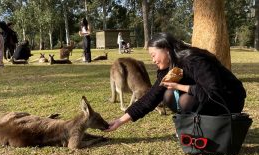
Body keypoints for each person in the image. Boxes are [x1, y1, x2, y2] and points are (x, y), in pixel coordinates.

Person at [105, 32, 246, 132]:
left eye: (153, 55)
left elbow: (213, 93)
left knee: (183, 99)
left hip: (229, 101)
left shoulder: (193, 60)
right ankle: (198, 126)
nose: (153, 60)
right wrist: (120, 121)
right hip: (208, 99)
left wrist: (181, 86)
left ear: (166, 50)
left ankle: (205, 126)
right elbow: (151, 97)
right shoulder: (173, 69)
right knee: (167, 95)